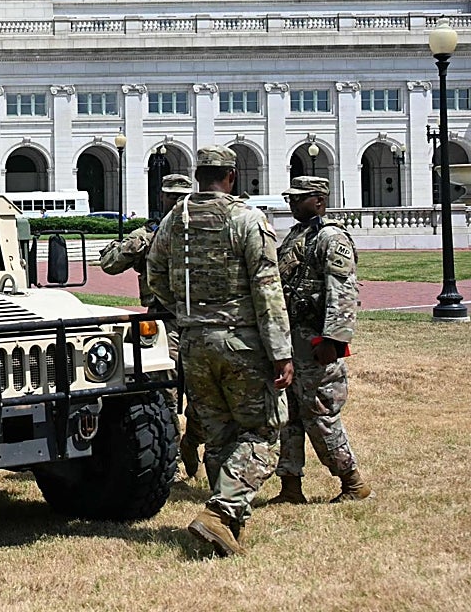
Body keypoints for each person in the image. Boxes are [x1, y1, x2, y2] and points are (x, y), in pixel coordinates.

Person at [147, 146, 293, 556]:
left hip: (194, 343)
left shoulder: (178, 218)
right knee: (263, 433)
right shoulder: (247, 219)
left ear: (198, 176)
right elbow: (267, 289)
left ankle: (228, 527)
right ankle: (220, 511)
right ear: (231, 176)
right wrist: (281, 350)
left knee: (219, 435)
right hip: (240, 342)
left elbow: (154, 272)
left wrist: (184, 311)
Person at [268, 176, 373, 504]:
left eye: (298, 199)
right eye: (290, 198)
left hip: (316, 343)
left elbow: (342, 292)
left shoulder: (330, 237)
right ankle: (290, 485)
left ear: (318, 200)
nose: (292, 204)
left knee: (320, 412)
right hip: (292, 342)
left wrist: (333, 340)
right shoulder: (299, 235)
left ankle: (352, 481)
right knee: (290, 414)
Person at [99, 173, 203, 476]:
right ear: (162, 198)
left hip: (200, 322)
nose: (176, 202)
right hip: (163, 323)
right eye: (171, 196)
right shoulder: (149, 235)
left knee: (204, 391)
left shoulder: (205, 231)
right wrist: (133, 244)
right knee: (165, 390)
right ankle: (169, 455)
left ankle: (193, 442)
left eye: (182, 197)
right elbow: (109, 263)